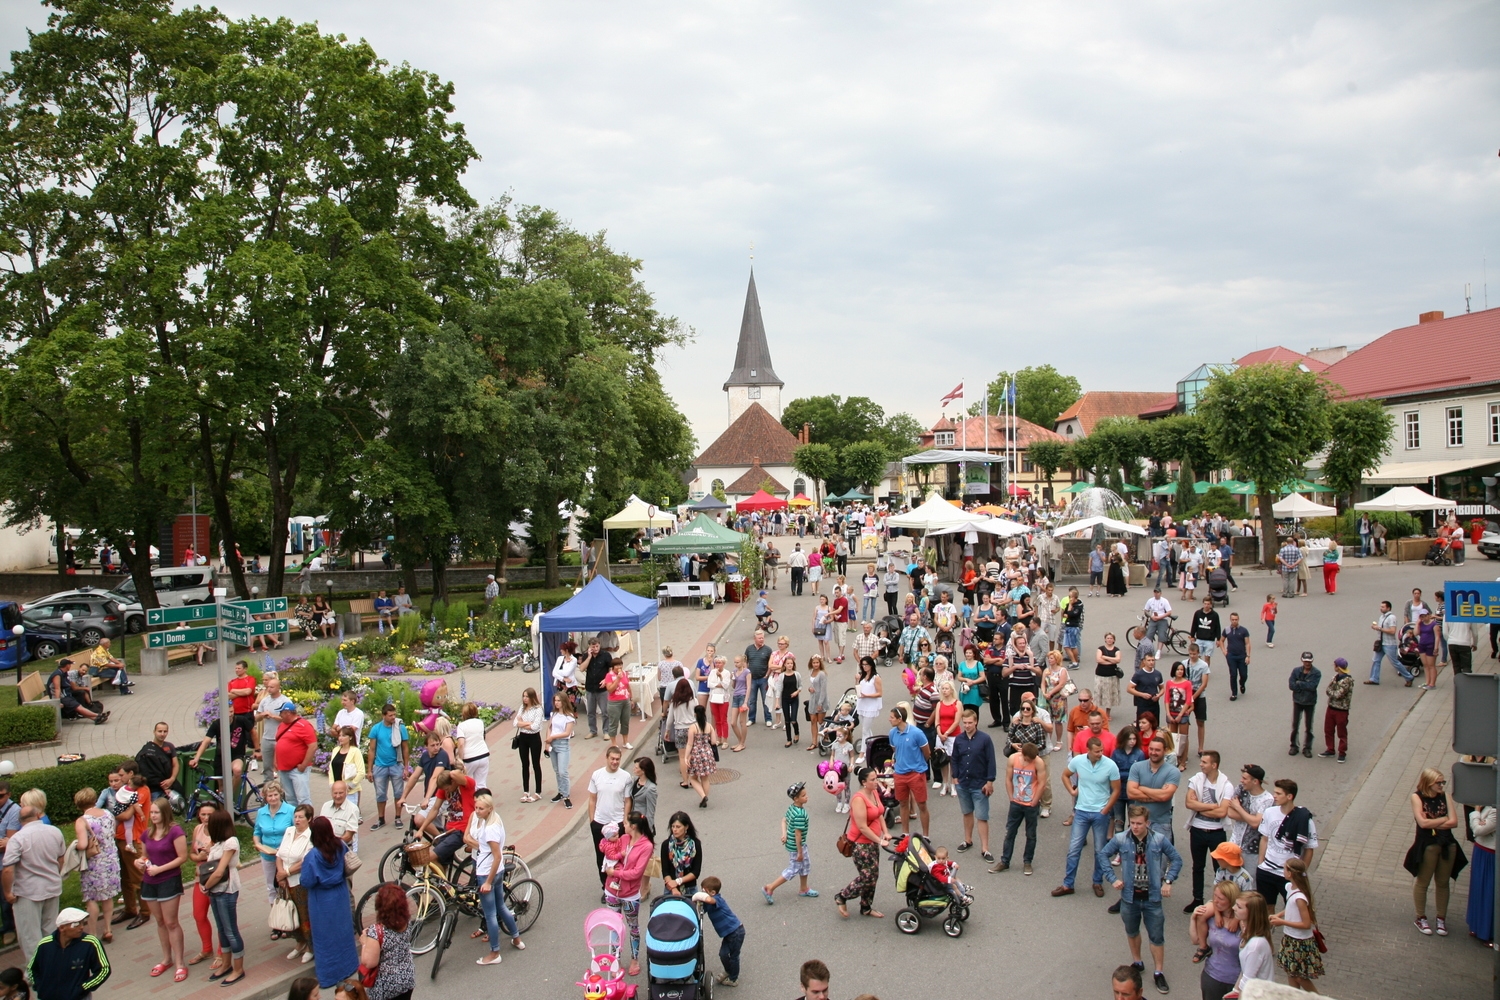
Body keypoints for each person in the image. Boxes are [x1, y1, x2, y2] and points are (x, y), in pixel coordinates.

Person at [1101, 806, 1183, 996]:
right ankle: (1137, 962)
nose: (1135, 827)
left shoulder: (1159, 839)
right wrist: (1113, 879)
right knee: (1132, 930)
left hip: (1152, 897)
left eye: (1139, 823)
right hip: (1129, 897)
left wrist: (1168, 880)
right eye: (1133, 823)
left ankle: (1158, 971)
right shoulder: (1122, 839)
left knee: (1156, 936)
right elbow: (1104, 854)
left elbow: (1176, 859)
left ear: (1147, 823)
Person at [3, 790, 66, 965]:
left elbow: (8, 870)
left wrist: (8, 892)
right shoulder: (55, 832)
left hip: (27, 892)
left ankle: (36, 972)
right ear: (38, 815)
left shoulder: (17, 839)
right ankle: (54, 965)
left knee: (30, 936)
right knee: (50, 930)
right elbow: (61, 859)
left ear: (19, 820)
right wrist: (55, 875)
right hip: (52, 887)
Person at [1050, 737, 1119, 892]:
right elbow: (1065, 775)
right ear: (1088, 750)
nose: (1100, 754)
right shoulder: (1078, 761)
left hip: (1100, 812)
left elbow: (1116, 789)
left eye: (1101, 750)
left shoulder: (1110, 765)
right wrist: (1072, 791)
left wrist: (1106, 809)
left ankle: (1097, 882)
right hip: (1081, 811)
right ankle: (1068, 884)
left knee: (1100, 850)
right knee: (1074, 849)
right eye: (1097, 751)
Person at [468, 790, 525, 966]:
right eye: (476, 807)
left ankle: (494, 952)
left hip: (487, 872)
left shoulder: (491, 828)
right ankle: (516, 939)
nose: (477, 811)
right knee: (501, 906)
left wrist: (487, 882)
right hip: (497, 872)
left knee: (491, 914)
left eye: (481, 808)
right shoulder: (493, 819)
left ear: (489, 809)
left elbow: (497, 856)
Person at [1406, 768, 1464, 937]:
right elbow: (1422, 824)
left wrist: (1433, 821)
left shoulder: (1445, 797)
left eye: (1442, 782)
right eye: (1438, 782)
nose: (1441, 785)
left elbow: (1454, 822)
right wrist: (1443, 819)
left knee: (1443, 883)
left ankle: (1441, 918)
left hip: (1447, 844)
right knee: (1423, 882)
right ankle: (1420, 917)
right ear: (1428, 783)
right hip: (1427, 845)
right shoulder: (1417, 797)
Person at [303, 817, 358, 988]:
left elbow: (307, 881)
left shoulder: (312, 856)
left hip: (321, 900)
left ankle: (329, 974)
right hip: (340, 894)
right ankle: (349, 966)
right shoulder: (340, 846)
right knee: (343, 932)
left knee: (325, 938)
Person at [835, 767, 890, 919]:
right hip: (861, 844)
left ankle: (866, 907)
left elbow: (879, 813)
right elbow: (862, 827)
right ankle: (842, 896)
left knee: (873, 876)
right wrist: (880, 840)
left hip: (872, 842)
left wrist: (885, 832)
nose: (876, 782)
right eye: (872, 780)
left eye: (876, 778)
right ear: (864, 782)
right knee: (867, 877)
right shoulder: (859, 799)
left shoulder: (873, 793)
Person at [198, 808, 245, 986]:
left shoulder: (230, 842)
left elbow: (219, 872)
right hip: (215, 891)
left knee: (231, 930)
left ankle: (238, 968)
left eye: (211, 823)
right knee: (221, 929)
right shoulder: (218, 843)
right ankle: (226, 964)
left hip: (226, 889)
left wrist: (205, 886)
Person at [1183, 751, 1233, 914]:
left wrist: (1201, 807)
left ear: (1214, 765)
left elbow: (1222, 813)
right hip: (1197, 830)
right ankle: (1197, 899)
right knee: (1197, 866)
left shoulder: (1226, 785)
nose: (1200, 764)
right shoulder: (1196, 779)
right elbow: (1189, 803)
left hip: (1217, 832)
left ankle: (1220, 901)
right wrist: (1212, 806)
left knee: (1220, 868)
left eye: (1204, 762)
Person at [1255, 779, 1318, 907]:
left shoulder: (1304, 819)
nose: (1274, 796)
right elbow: (1265, 838)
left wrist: (1301, 872)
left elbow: (1309, 848)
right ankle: (1270, 927)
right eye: (1274, 792)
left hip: (1289, 874)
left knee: (1293, 909)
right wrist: (1261, 863)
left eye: (1279, 793)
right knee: (1266, 908)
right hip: (1267, 870)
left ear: (1289, 796)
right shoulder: (1269, 812)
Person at [25, 908, 109, 1000]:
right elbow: (31, 969)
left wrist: (83, 988)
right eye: (76, 924)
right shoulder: (45, 945)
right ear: (62, 928)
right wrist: (40, 987)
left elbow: (104, 970)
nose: (81, 927)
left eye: (82, 922)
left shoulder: (90, 943)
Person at [70, 790, 118, 944]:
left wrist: (75, 846)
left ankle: (92, 934)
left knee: (91, 898)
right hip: (111, 860)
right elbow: (113, 833)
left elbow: (83, 844)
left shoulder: (82, 820)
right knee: (108, 896)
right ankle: (108, 929)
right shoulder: (107, 814)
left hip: (94, 863)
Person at [1271, 856, 1323, 990]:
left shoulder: (1300, 898)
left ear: (1290, 873)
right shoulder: (1290, 888)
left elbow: (1306, 924)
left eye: (1284, 869)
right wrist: (1279, 915)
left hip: (1300, 941)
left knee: (1299, 977)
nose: (1283, 871)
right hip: (1290, 938)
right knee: (1291, 973)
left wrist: (1282, 922)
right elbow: (1289, 908)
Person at [274, 804, 315, 966]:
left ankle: (310, 947)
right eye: (295, 816)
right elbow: (279, 854)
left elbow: (304, 861)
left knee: (304, 915)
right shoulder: (289, 831)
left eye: (301, 817)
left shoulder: (310, 836)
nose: (297, 820)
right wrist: (280, 875)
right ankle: (299, 942)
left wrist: (287, 873)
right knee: (291, 914)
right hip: (285, 881)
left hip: (299, 882)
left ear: (309, 819)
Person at [360, 882, 415, 1000]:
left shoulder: (377, 931)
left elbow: (369, 962)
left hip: (385, 987)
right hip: (407, 978)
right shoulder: (406, 922)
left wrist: (364, 942)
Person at [587, 746, 633, 885]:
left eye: (617, 759)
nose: (615, 762)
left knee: (619, 856)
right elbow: (592, 799)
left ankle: (619, 883)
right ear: (607, 758)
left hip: (618, 822)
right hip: (600, 823)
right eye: (612, 759)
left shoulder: (625, 777)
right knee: (601, 856)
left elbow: (627, 800)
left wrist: (625, 820)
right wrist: (592, 821)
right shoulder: (597, 775)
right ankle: (605, 886)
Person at [1191, 881, 1241, 1000]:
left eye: (1221, 898)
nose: (1216, 901)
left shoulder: (1243, 921)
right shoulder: (1211, 917)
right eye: (1215, 896)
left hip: (1236, 981)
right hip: (1212, 976)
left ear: (1231, 900)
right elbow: (1195, 939)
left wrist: (1238, 919)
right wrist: (1193, 918)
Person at [694, 876, 746, 987]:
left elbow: (708, 899)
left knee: (734, 957)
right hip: (729, 934)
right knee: (723, 954)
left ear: (713, 892)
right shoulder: (709, 902)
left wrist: (698, 895)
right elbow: (701, 909)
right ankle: (729, 971)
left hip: (736, 932)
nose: (703, 893)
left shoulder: (717, 899)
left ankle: (733, 979)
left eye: (705, 891)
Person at [888, 706, 931, 837]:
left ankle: (925, 836)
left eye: (892, 717)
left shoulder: (917, 733)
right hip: (900, 774)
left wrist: (917, 767)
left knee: (921, 805)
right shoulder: (892, 733)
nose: (889, 719)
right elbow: (895, 750)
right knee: (903, 804)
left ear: (900, 719)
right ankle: (905, 834)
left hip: (915, 774)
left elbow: (927, 753)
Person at [366, 704, 409, 830]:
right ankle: (381, 818)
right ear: (383, 715)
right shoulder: (376, 729)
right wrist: (369, 770)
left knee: (398, 792)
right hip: (380, 766)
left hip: (396, 764)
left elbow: (405, 748)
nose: (393, 717)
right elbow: (372, 750)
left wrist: (406, 767)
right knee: (380, 794)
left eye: (394, 715)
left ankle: (398, 817)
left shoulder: (400, 728)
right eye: (390, 715)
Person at [275, 701, 319, 808]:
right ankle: (294, 821)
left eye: (281, 712)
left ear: (288, 713)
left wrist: (304, 765)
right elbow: (278, 743)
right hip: (284, 769)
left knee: (303, 799)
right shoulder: (281, 725)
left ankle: (308, 822)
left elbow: (313, 746)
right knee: (290, 799)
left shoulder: (304, 725)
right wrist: (275, 761)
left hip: (298, 769)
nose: (279, 715)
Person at [1231, 892, 1276, 994]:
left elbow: (1247, 981)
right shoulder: (1248, 933)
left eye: (1239, 907)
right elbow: (1245, 970)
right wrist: (1235, 990)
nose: (1234, 908)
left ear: (1251, 913)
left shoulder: (1255, 945)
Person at [1367, 599, 1412, 685]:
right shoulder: (1382, 617)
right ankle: (1374, 679)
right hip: (1381, 643)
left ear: (1388, 608)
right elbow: (1381, 628)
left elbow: (1392, 631)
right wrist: (1376, 627)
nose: (1381, 608)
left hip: (1389, 644)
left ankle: (1409, 677)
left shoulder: (1392, 617)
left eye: (1383, 607)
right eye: (1381, 606)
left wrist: (1379, 628)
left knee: (1394, 662)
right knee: (1376, 660)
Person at [511, 688, 544, 802]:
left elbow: (535, 727)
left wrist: (522, 723)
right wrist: (527, 723)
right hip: (523, 738)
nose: (524, 698)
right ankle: (526, 791)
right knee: (525, 764)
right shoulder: (522, 708)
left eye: (527, 696)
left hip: (534, 738)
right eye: (523, 696)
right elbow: (515, 723)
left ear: (532, 697)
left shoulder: (538, 709)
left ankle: (538, 791)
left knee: (536, 764)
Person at [545, 690, 576, 809]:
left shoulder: (569, 717)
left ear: (564, 702)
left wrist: (552, 737)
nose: (557, 703)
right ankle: (560, 792)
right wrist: (547, 741)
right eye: (555, 701)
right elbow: (550, 727)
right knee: (557, 770)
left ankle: (566, 796)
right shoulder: (554, 714)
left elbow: (566, 733)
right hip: (553, 744)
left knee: (563, 771)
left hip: (563, 744)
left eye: (559, 701)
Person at [660, 811, 702, 898]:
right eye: (673, 826)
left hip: (690, 889)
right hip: (670, 889)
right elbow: (665, 871)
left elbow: (695, 872)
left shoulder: (695, 844)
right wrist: (673, 888)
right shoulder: (666, 844)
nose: (674, 830)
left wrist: (678, 881)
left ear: (686, 827)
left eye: (678, 827)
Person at [1288, 652, 1321, 758]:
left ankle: (1307, 748)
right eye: (1305, 661)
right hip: (1297, 701)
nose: (1307, 663)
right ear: (1302, 660)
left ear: (1312, 661)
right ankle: (1294, 746)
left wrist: (1299, 683)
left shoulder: (1316, 673)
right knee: (1295, 725)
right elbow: (1291, 685)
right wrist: (1303, 685)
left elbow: (1312, 686)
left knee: (1308, 727)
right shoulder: (1296, 671)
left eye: (1309, 661)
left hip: (1310, 702)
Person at [136, 721, 179, 801]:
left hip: (170, 784)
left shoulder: (170, 746)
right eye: (160, 731)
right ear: (154, 732)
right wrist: (161, 785)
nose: (162, 734)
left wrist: (171, 779)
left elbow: (175, 765)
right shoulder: (146, 750)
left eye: (165, 731)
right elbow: (146, 771)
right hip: (155, 789)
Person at [686, 705, 718, 807]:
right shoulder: (709, 726)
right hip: (707, 753)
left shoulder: (693, 727)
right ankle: (705, 797)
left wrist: (686, 756)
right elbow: (713, 741)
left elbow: (690, 743)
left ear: (695, 714)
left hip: (696, 754)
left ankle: (703, 796)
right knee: (705, 778)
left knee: (693, 778)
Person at [855, 657, 884, 756]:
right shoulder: (862, 676)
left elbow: (879, 693)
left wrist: (867, 695)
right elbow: (858, 689)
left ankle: (863, 753)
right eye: (863, 665)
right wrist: (856, 680)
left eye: (866, 665)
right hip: (862, 705)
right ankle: (872, 745)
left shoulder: (876, 677)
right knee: (865, 728)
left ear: (871, 665)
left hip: (871, 706)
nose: (864, 667)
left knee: (865, 730)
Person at [1218, 613, 1250, 702]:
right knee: (1233, 674)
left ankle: (1242, 683)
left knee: (1244, 675)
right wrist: (1224, 651)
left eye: (1236, 619)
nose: (1234, 621)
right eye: (1233, 619)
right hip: (1231, 656)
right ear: (1230, 620)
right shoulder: (1227, 630)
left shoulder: (1244, 630)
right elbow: (1221, 640)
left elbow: (1247, 643)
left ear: (1238, 619)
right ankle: (1234, 693)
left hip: (1242, 656)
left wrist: (1248, 656)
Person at [744, 630, 774, 726]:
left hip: (763, 679)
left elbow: (771, 664)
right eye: (759, 638)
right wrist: (747, 672)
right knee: (752, 700)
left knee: (766, 699)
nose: (761, 640)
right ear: (755, 639)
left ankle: (768, 719)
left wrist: (767, 675)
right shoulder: (749, 649)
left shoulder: (768, 650)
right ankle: (751, 718)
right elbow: (745, 661)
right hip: (752, 679)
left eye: (762, 638)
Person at [778, 656, 801, 748]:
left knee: (793, 719)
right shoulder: (781, 676)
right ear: (785, 665)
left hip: (794, 699)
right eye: (788, 663)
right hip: (785, 699)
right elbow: (779, 689)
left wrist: (797, 692)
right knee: (787, 720)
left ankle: (796, 733)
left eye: (791, 663)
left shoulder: (797, 674)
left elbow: (800, 686)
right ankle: (788, 739)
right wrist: (777, 702)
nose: (790, 665)